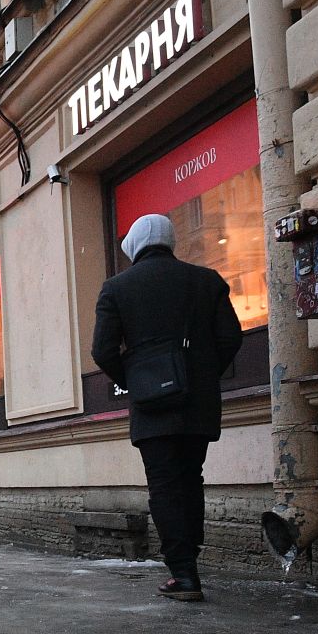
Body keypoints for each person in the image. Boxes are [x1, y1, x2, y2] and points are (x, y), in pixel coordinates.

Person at [92, 213, 243, 602]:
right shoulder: (206, 281)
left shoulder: (117, 288)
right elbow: (230, 337)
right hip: (197, 403)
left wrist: (137, 380)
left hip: (152, 407)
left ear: (136, 246)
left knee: (164, 485)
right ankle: (189, 560)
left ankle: (183, 572)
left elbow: (102, 350)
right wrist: (202, 373)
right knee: (191, 479)